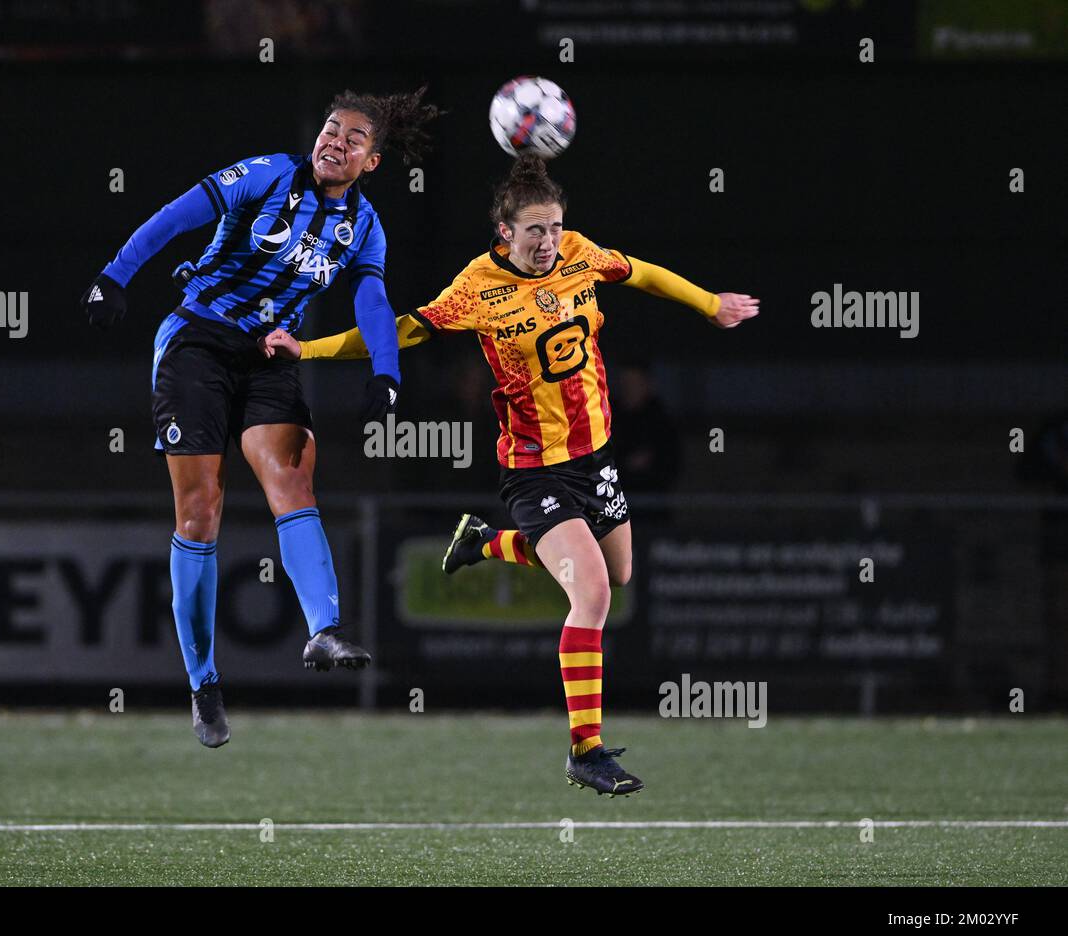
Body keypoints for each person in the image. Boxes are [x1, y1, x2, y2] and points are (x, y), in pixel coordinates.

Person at [262, 153, 758, 793]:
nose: (548, 241)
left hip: (596, 457)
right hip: (535, 471)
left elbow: (645, 274)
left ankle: (482, 543)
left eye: (553, 227)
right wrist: (312, 348)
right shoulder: (478, 286)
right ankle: (587, 750)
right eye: (534, 231)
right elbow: (404, 330)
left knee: (622, 572)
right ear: (505, 233)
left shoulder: (580, 253)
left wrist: (709, 303)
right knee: (594, 596)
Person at [78, 88, 441, 749]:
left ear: (373, 161)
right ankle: (204, 681)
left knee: (293, 481)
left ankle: (324, 628)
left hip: (268, 357)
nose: (336, 141)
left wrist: (387, 374)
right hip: (196, 343)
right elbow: (176, 216)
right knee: (201, 512)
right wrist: (115, 274)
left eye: (353, 138)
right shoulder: (268, 173)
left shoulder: (364, 226)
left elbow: (374, 301)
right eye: (331, 129)